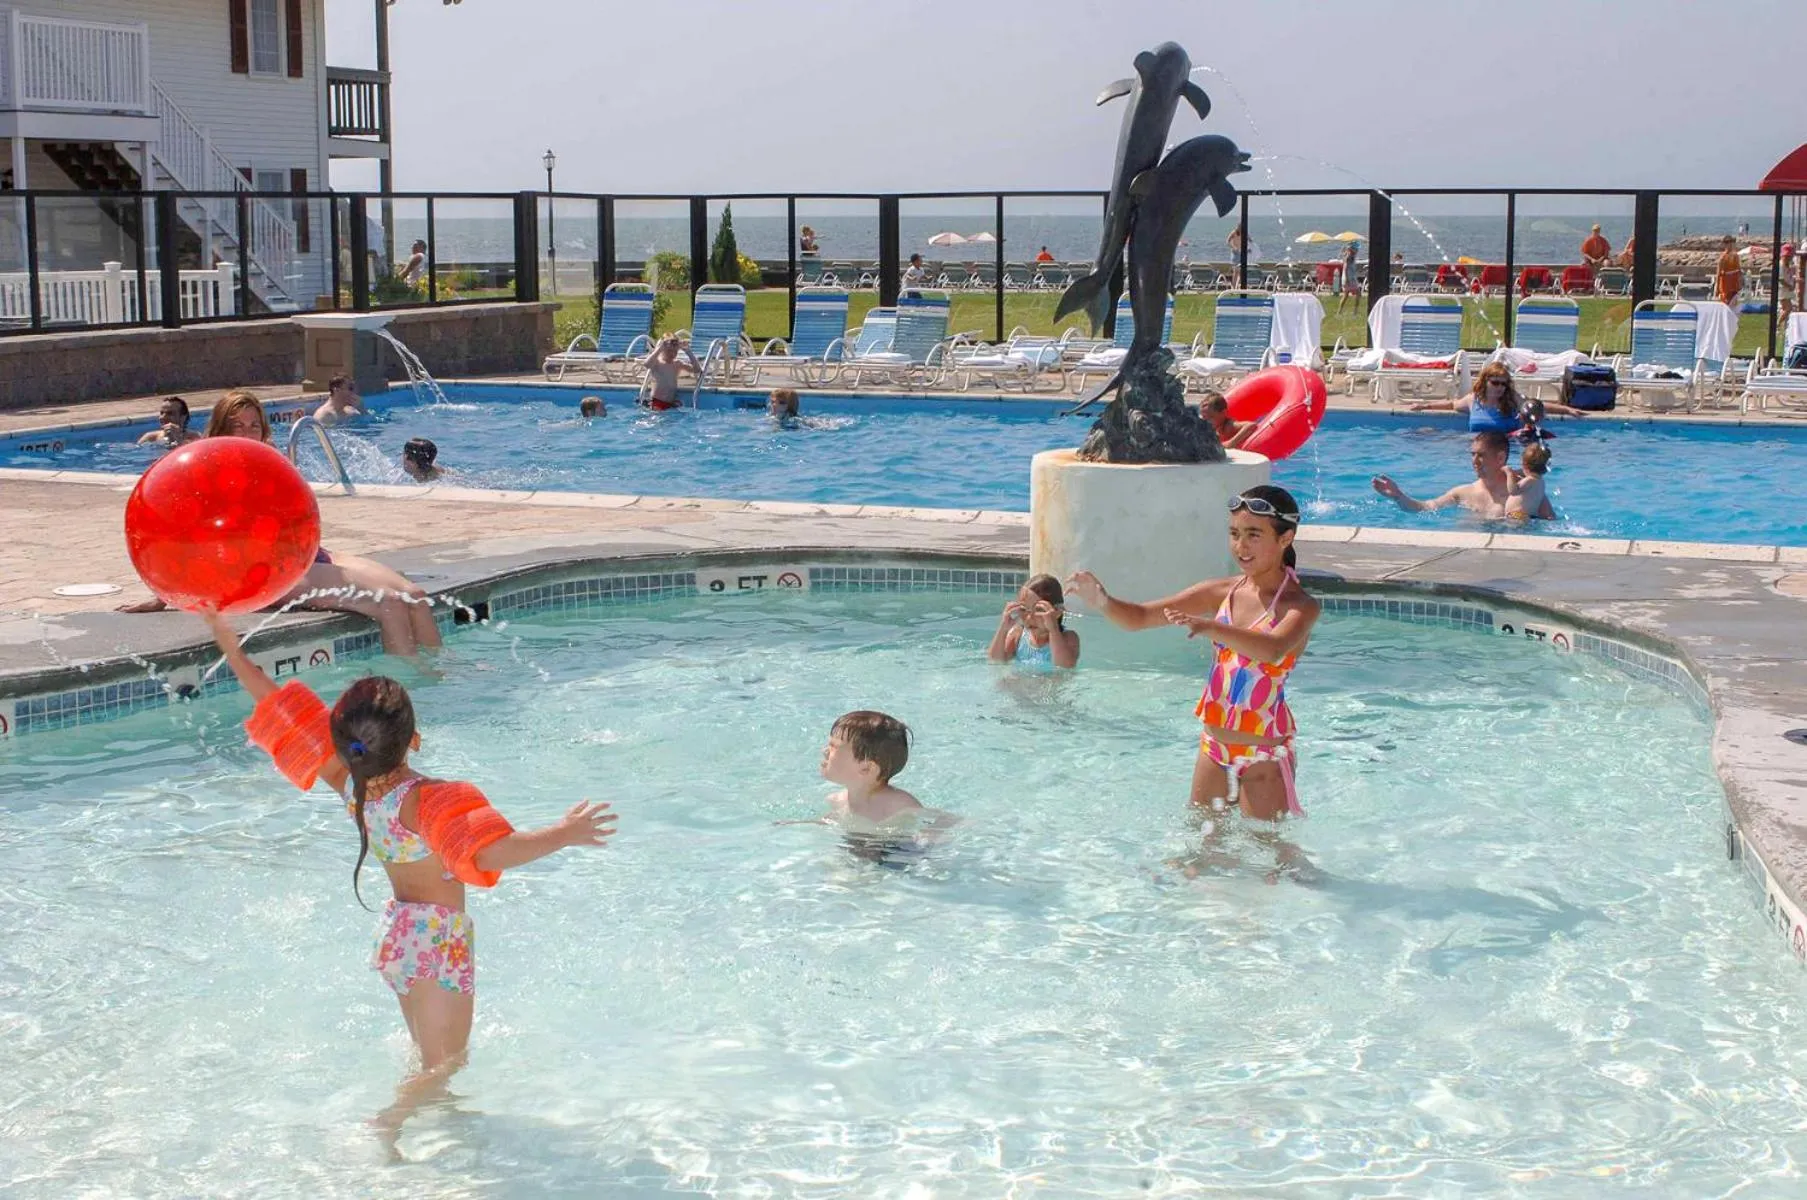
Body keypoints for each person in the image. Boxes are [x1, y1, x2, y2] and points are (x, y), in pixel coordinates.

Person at [200, 611, 615, 1147]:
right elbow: (492, 852)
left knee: (427, 1055)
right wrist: (565, 833)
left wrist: (232, 649)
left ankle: (436, 1128)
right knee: (448, 1063)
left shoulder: (348, 784)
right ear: (413, 740)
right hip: (437, 941)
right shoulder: (424, 801)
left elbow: (277, 705)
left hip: (400, 934)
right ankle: (388, 1124)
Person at [120, 392, 446, 656]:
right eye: (237, 425)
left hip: (305, 555)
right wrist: (165, 596)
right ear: (220, 429)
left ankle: (440, 688)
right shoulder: (205, 475)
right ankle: (404, 698)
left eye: (254, 425)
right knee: (389, 603)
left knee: (414, 595)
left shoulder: (268, 465)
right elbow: (182, 539)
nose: (247, 433)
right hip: (264, 574)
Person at [1066, 486, 1319, 820]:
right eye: (1234, 534)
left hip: (1264, 753)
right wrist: (1102, 601)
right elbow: (1140, 617)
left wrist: (1210, 627)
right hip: (1213, 747)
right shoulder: (1220, 592)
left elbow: (1271, 650)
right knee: (1198, 846)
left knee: (1267, 852)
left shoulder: (1300, 606)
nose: (1240, 546)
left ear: (1285, 538)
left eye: (1253, 535)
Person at [1371, 430, 1553, 520]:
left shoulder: (1525, 491)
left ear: (1500, 458)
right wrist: (1398, 496)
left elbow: (1550, 523)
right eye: (1472, 454)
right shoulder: (1462, 493)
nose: (1474, 461)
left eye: (1481, 455)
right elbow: (1425, 508)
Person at [986, 574, 1080, 670]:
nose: (1029, 617)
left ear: (1058, 612)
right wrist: (1003, 628)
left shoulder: (1068, 638)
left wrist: (1053, 630)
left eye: (1039, 610)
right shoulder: (1017, 634)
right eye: (1023, 609)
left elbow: (1065, 666)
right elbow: (995, 661)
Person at [638, 335, 702, 411]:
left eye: (675, 352)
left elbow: (697, 370)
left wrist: (689, 352)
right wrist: (658, 349)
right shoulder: (657, 362)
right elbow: (646, 364)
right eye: (669, 351)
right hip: (657, 402)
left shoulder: (677, 364)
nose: (672, 354)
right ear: (662, 350)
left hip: (670, 403)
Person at [1504, 441, 1552, 522]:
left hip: (1518, 515)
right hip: (1531, 516)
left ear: (1525, 465)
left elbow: (1513, 491)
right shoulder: (1540, 482)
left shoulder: (1529, 480)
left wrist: (1509, 473)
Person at [1713, 235, 1743, 306]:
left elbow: (1739, 270)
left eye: (1732, 242)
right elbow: (1718, 274)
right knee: (1726, 305)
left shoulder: (1735, 256)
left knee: (1734, 305)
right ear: (1725, 244)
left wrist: (1740, 283)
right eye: (1728, 242)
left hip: (1734, 285)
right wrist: (1717, 289)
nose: (1730, 244)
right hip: (1725, 286)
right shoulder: (1723, 257)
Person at [1336, 239, 1362, 314]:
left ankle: (1340, 311)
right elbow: (1346, 268)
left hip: (1350, 278)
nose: (1357, 250)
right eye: (1356, 249)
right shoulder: (1349, 257)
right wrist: (1347, 279)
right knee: (1357, 293)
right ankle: (1355, 311)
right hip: (1349, 278)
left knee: (1346, 295)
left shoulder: (1351, 256)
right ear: (1352, 249)